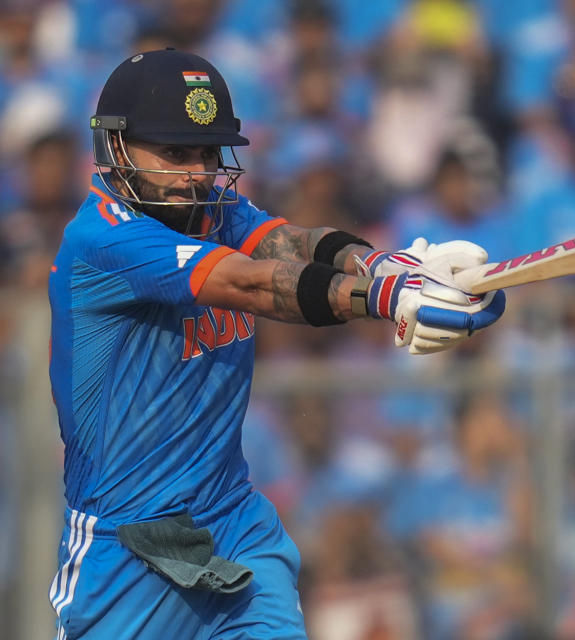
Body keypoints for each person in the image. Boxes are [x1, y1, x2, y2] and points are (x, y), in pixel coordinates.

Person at [46, 48, 505, 639]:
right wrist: (384, 299)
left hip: (232, 525)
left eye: (208, 154)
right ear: (116, 148)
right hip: (126, 549)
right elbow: (251, 283)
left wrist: (385, 263)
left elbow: (290, 242)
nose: (196, 173)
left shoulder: (210, 209)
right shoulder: (102, 240)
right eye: (175, 154)